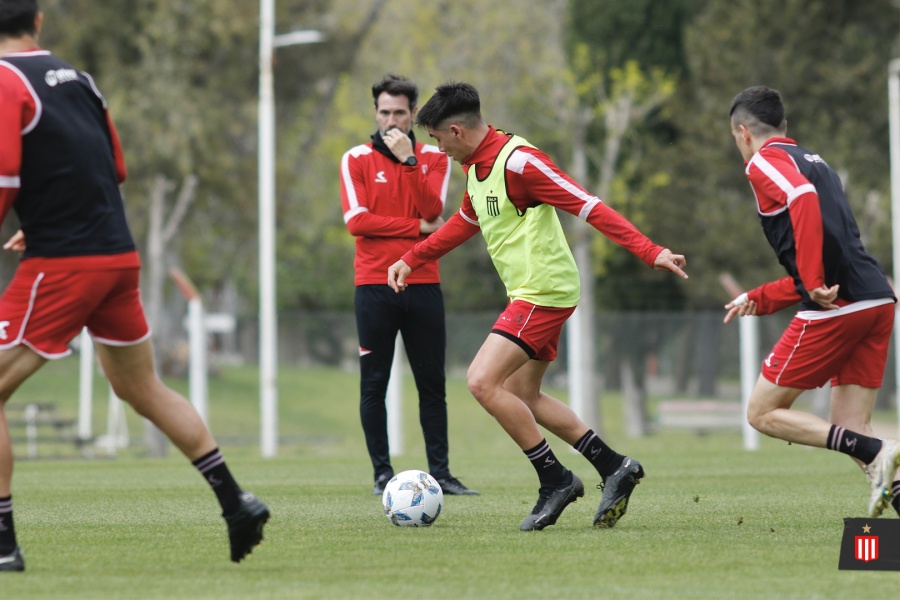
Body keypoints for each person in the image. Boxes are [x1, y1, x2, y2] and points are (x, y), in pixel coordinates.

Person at [0, 1, 269, 572]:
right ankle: (236, 501)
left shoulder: (3, 79)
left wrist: (39, 218)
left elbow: (4, 168)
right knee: (141, 388)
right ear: (40, 21)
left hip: (66, 262)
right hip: (117, 255)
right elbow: (114, 167)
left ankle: (3, 545)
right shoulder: (79, 79)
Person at [387, 82, 688, 531]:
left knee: (482, 381)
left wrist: (650, 251)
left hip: (543, 292)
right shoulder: (476, 166)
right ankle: (614, 467)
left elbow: (588, 205)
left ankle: (556, 480)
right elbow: (465, 222)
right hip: (530, 292)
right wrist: (413, 258)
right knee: (524, 395)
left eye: (436, 138)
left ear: (455, 130)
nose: (439, 148)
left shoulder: (521, 162)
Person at [724, 85, 900, 519]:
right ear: (784, 126)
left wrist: (815, 282)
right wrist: (762, 297)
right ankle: (880, 459)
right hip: (876, 299)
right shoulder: (816, 161)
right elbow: (830, 251)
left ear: (743, 132)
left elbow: (800, 203)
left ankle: (881, 450)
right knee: (850, 428)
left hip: (838, 309)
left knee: (762, 412)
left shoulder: (765, 162)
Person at [340, 74, 477, 496]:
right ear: (376, 113)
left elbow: (434, 210)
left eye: (400, 112)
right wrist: (415, 227)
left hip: (423, 282)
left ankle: (443, 473)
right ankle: (382, 473)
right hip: (373, 286)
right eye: (384, 112)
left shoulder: (433, 158)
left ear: (413, 114)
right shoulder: (356, 158)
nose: (391, 120)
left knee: (432, 384)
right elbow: (356, 222)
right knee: (373, 385)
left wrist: (409, 164)